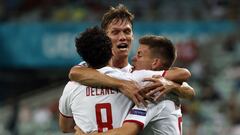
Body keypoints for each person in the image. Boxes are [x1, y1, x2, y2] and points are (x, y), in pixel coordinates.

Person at [58, 27, 193, 134]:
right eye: (115, 32)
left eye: (127, 31)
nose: (134, 58)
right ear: (111, 50)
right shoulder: (137, 80)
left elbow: (65, 127)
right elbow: (183, 74)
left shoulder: (71, 87)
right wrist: (121, 84)